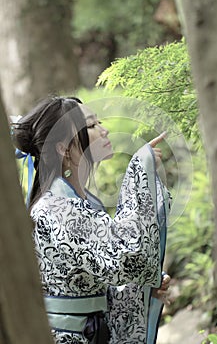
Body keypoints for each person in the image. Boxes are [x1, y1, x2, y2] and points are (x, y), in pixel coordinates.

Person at [12, 96, 171, 344]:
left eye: (100, 122)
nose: (104, 130)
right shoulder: (56, 208)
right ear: (64, 148)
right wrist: (139, 170)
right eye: (92, 125)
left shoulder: (75, 202)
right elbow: (130, 256)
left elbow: (99, 283)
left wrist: (145, 288)